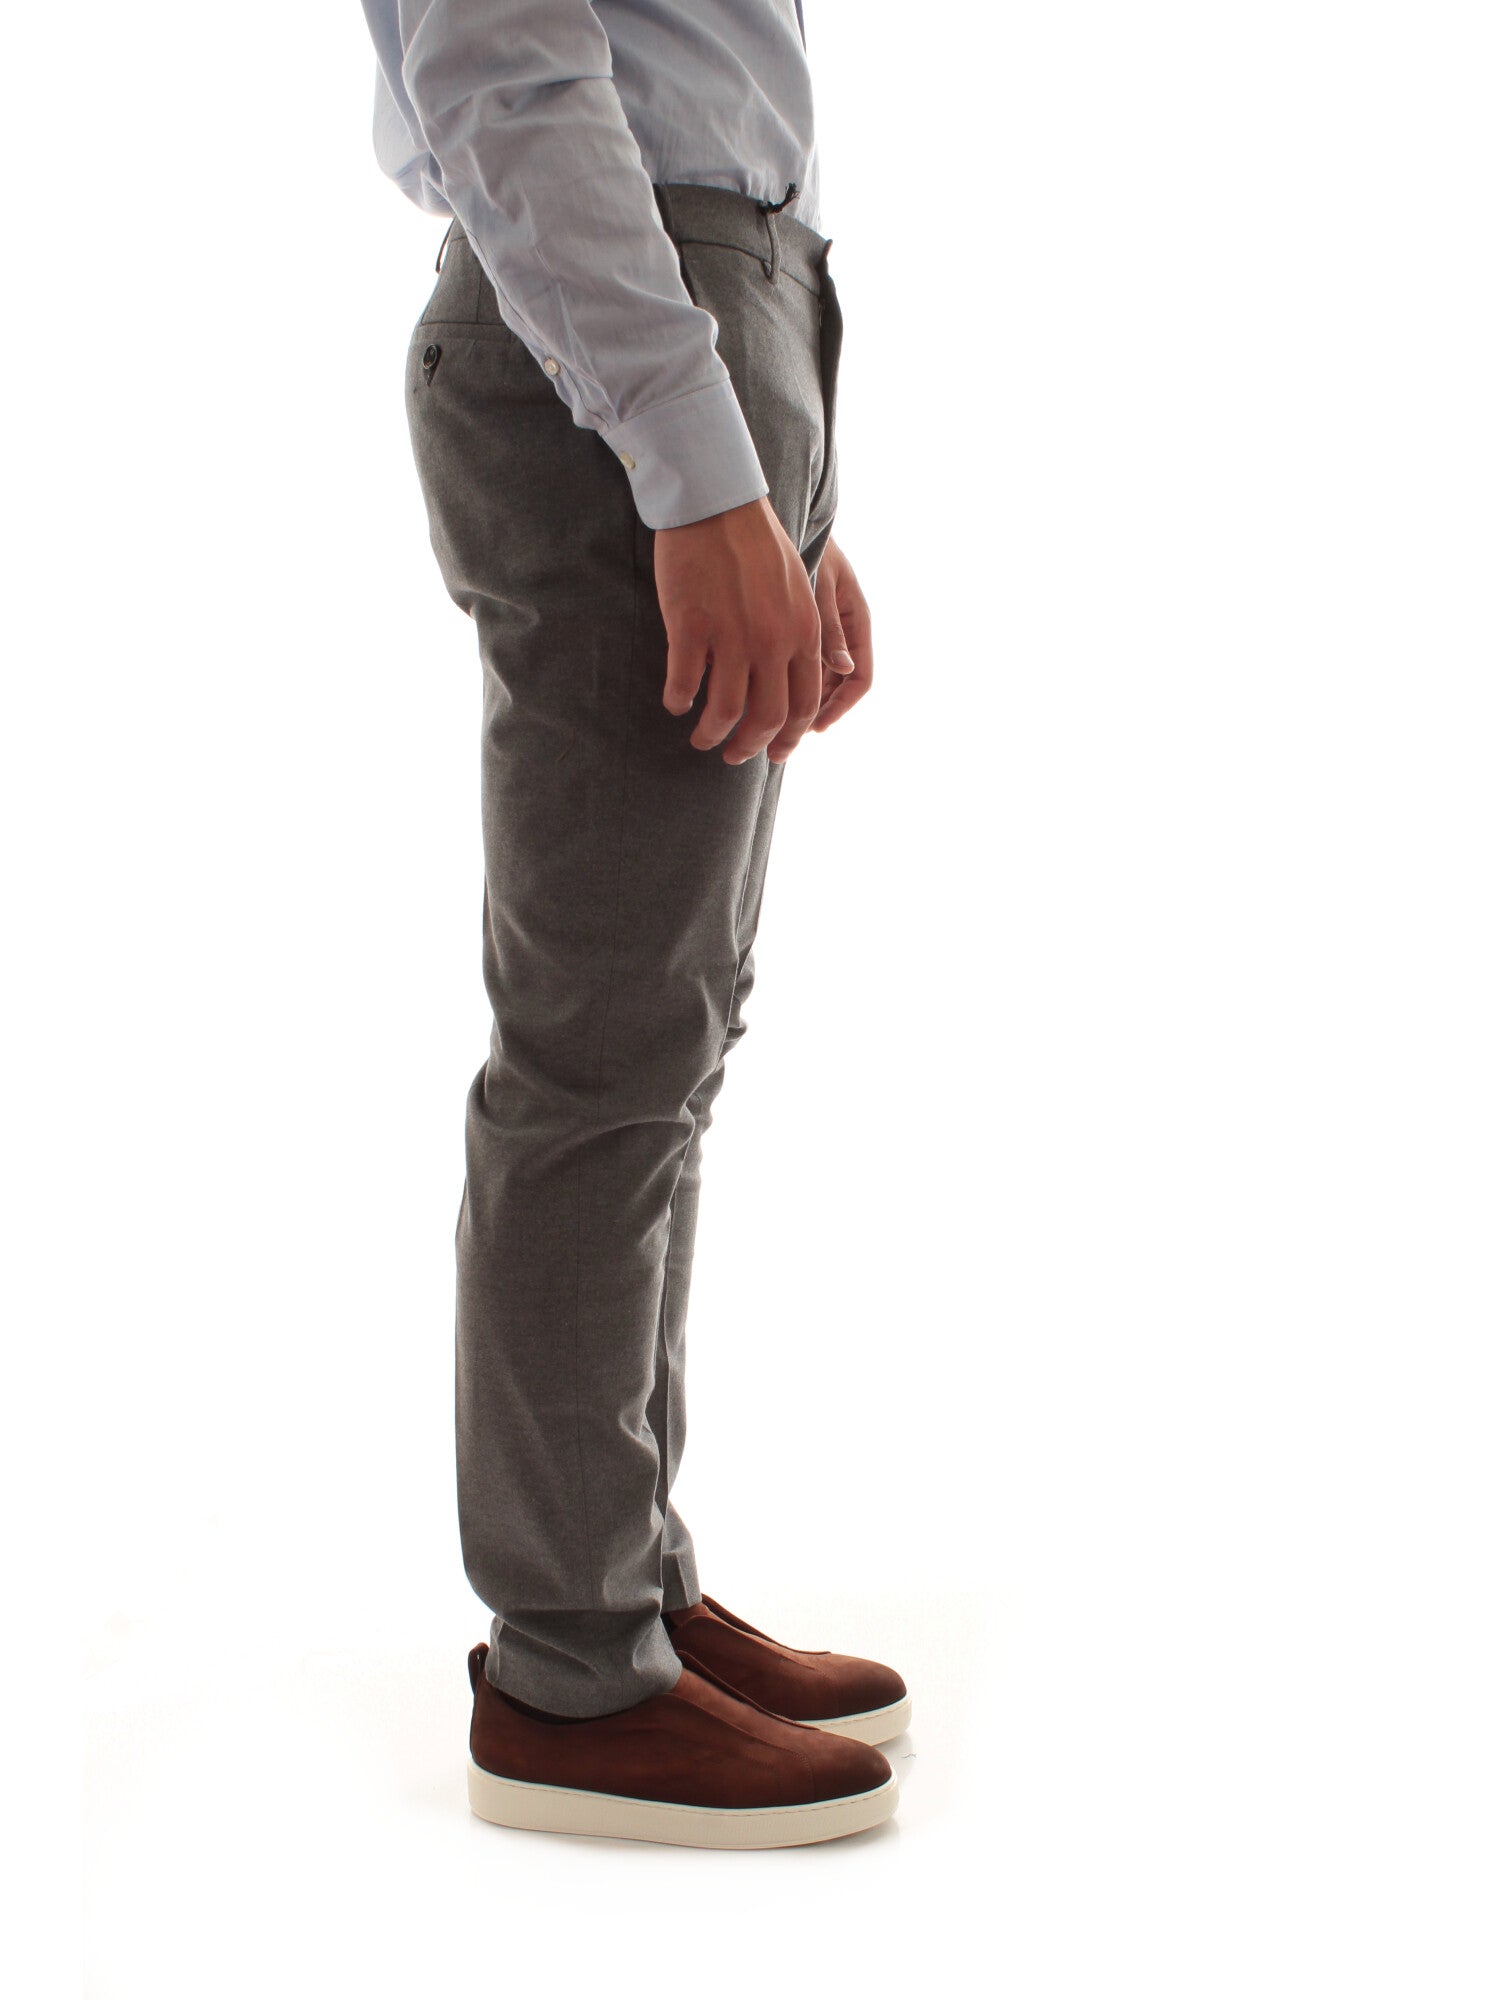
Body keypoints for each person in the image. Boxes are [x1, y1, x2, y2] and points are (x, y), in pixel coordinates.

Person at [358, 0, 904, 1848]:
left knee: (666, 1037)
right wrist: (702, 463)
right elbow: (505, 68)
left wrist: (778, 494)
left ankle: (628, 1583)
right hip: (630, 334)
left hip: (703, 322)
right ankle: (571, 1667)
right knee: (598, 1057)